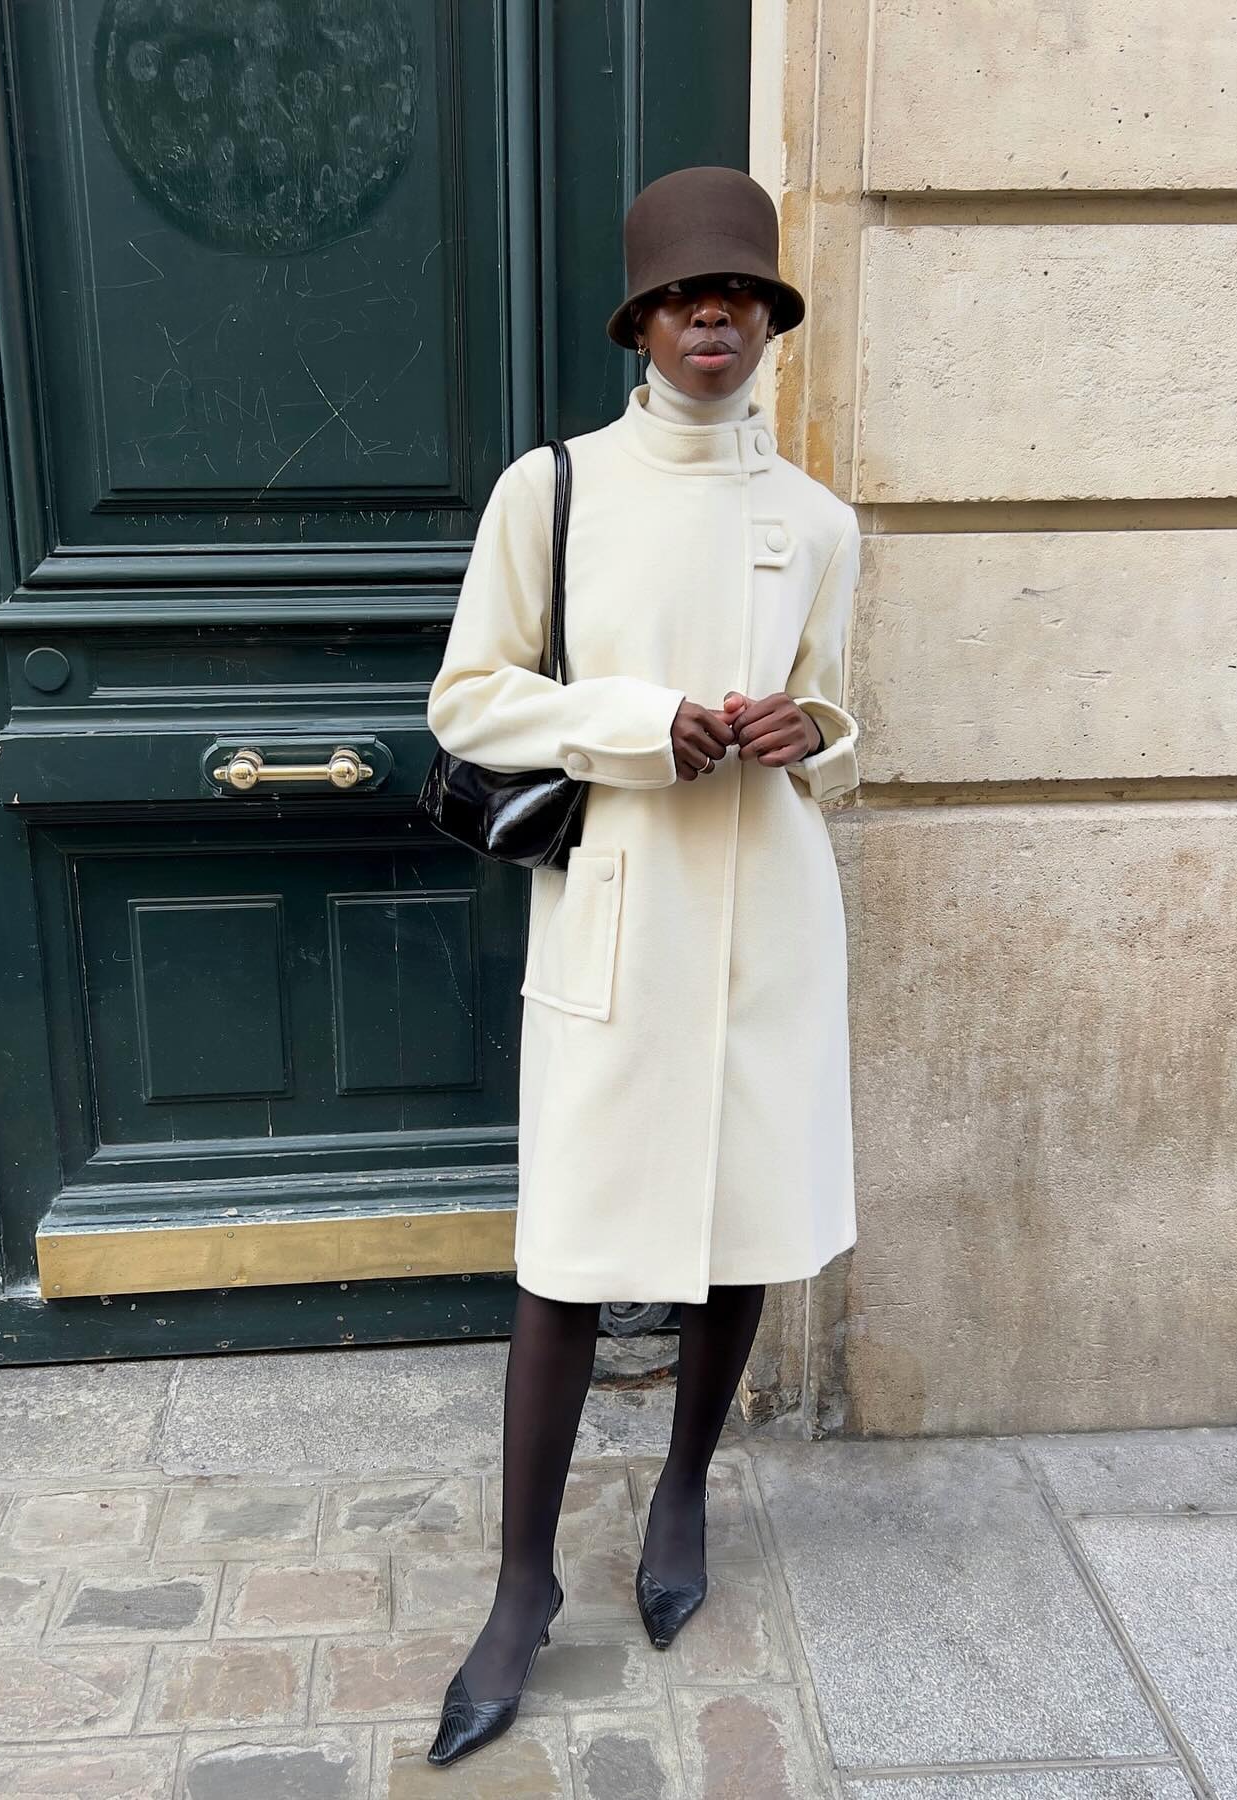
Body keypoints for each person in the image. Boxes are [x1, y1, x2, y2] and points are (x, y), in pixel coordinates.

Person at [422, 163, 861, 1767]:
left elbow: (838, 723)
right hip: (616, 908)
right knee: (568, 1255)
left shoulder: (818, 521)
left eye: (737, 295)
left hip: (769, 918)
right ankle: (521, 1585)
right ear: (641, 323)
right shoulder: (555, 490)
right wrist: (635, 722)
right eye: (682, 296)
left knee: (740, 1227)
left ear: (768, 321)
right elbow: (468, 699)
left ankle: (682, 1496)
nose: (711, 319)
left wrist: (814, 728)